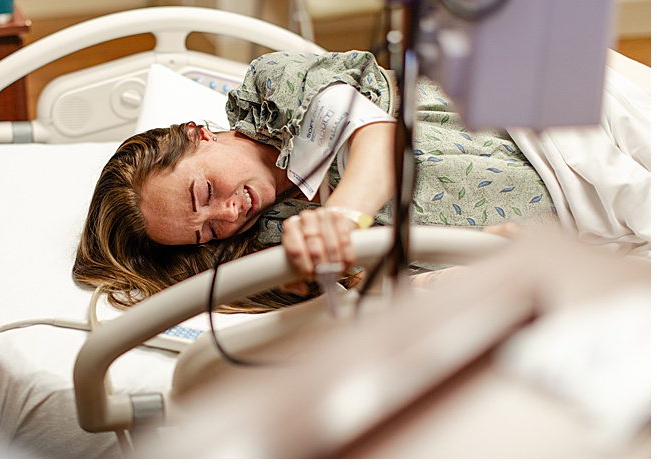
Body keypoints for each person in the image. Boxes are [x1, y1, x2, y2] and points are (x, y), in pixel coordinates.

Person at [73, 50, 558, 313]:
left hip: (544, 143)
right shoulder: (274, 237)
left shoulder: (273, 94)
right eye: (209, 232)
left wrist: (338, 220)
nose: (227, 213)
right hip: (553, 238)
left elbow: (380, 137)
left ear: (196, 135)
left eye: (205, 193)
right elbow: (374, 280)